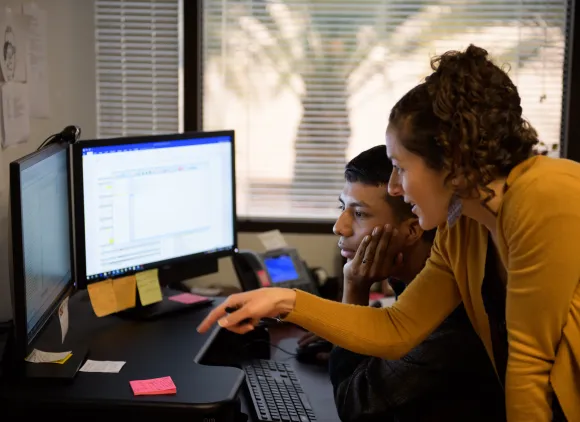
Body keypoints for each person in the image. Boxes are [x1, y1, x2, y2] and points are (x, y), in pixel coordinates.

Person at [198, 44, 580, 422]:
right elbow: (398, 327)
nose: (395, 186)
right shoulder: (462, 225)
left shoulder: (545, 193)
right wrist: (284, 300)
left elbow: (530, 364)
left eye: (400, 167)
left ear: (450, 161)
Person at [317, 145, 506, 421]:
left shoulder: (450, 323)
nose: (340, 227)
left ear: (413, 230)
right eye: (342, 208)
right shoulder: (418, 283)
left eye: (359, 214)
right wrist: (342, 330)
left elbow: (355, 405)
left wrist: (354, 289)